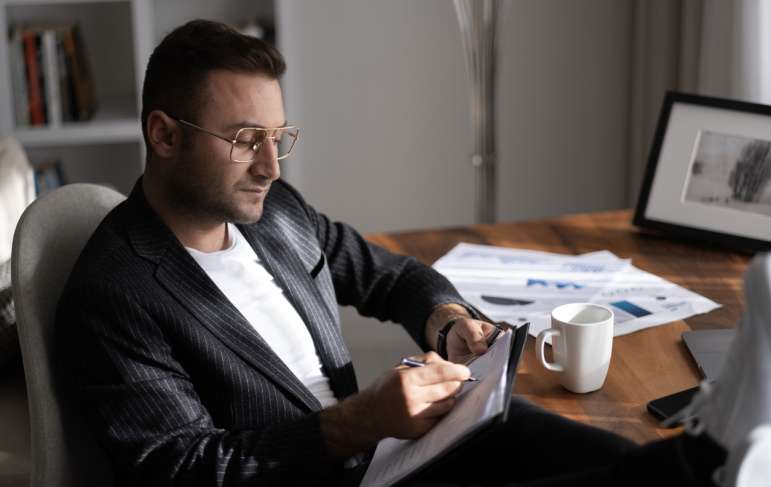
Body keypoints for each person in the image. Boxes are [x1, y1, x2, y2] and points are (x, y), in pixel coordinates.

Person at [55, 20, 770, 487]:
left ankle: (707, 453)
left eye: (281, 137)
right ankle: (710, 453)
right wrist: (358, 421)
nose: (271, 165)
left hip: (386, 449)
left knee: (579, 451)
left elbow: (386, 275)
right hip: (328, 472)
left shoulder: (270, 212)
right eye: (245, 139)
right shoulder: (115, 295)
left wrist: (446, 321)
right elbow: (189, 471)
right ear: (165, 134)